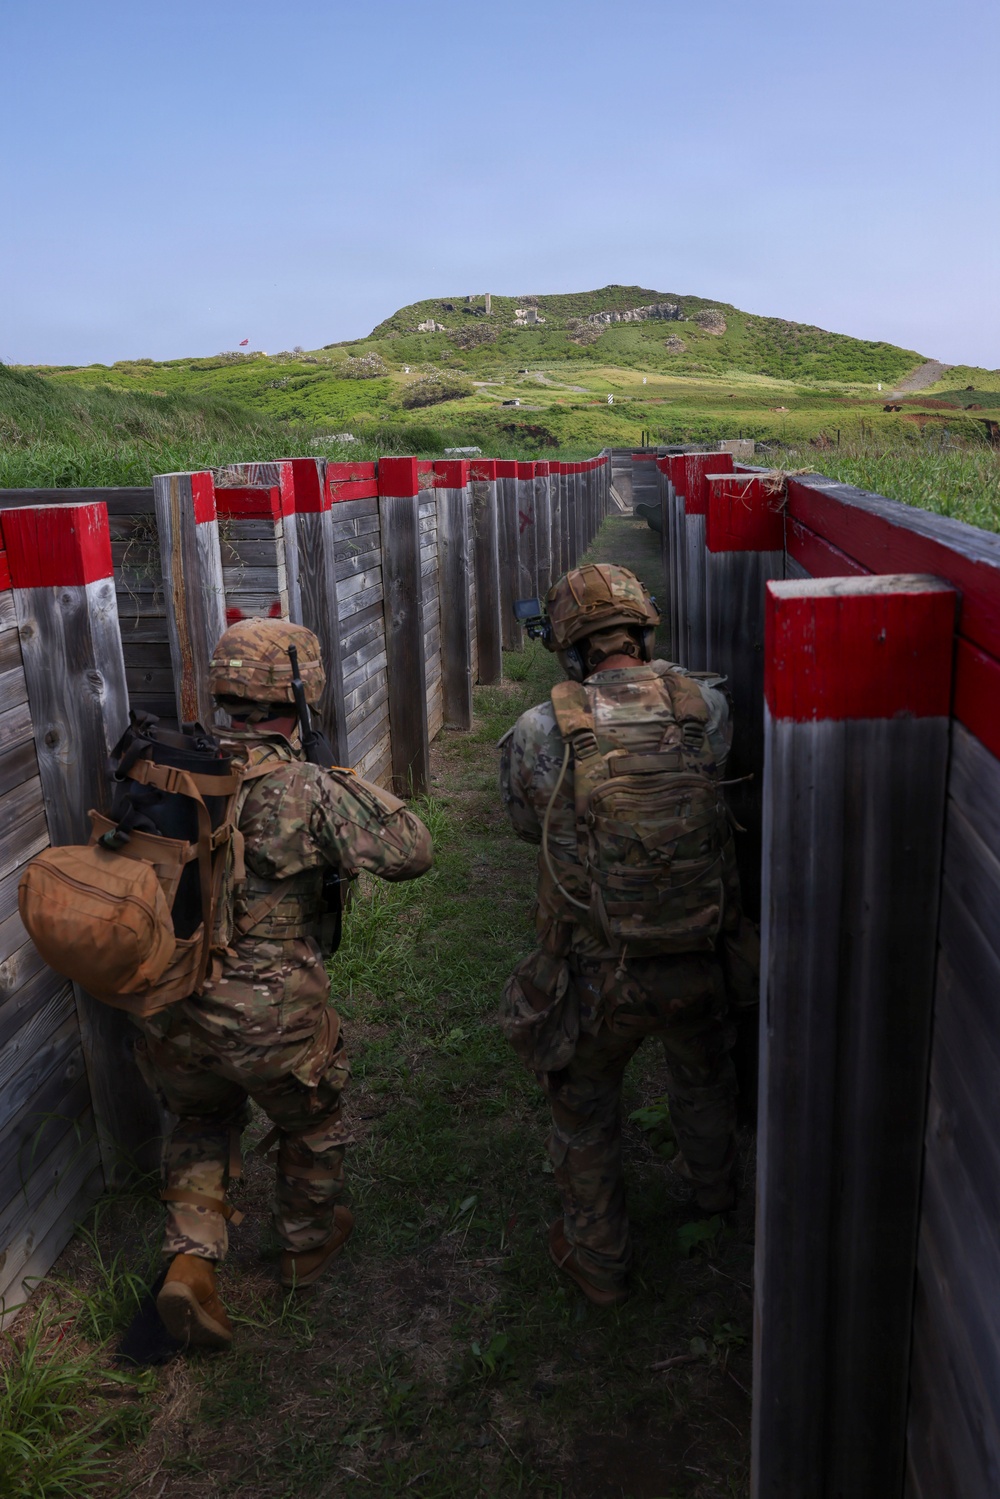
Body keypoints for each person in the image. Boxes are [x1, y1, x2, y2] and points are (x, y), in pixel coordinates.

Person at [137, 619, 433, 1350]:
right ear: (302, 696)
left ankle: (190, 1260)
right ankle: (304, 1242)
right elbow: (411, 850)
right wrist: (341, 778)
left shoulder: (164, 768)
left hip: (170, 1007)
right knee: (311, 1117)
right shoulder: (306, 787)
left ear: (225, 691)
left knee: (202, 1120)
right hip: (268, 1016)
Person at [498, 564, 758, 1306]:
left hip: (594, 972)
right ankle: (713, 1197)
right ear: (645, 632)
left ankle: (600, 1258)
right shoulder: (703, 706)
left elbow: (526, 827)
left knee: (584, 1106)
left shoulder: (540, 730)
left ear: (570, 649)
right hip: (698, 956)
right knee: (705, 1073)